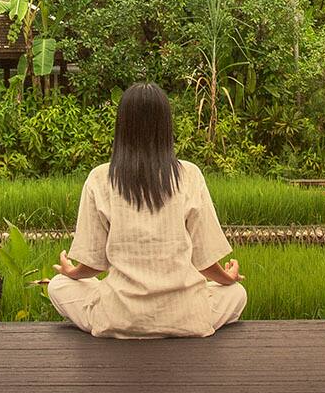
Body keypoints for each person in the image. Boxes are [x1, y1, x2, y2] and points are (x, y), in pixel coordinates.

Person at [45, 82, 246, 338]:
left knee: (59, 285)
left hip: (120, 316)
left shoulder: (100, 178)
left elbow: (94, 265)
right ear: (165, 127)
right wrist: (227, 279)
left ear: (122, 126)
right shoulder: (189, 175)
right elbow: (204, 260)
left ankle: (121, 319)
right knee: (236, 293)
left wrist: (71, 272)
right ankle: (182, 316)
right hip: (185, 317)